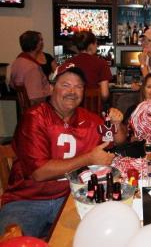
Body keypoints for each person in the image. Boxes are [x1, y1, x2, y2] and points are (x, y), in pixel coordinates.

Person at [0, 63, 116, 238]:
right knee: (14, 241)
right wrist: (89, 158)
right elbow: (39, 173)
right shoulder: (34, 118)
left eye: (78, 86)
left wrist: (117, 124)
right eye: (66, 85)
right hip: (27, 200)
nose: (73, 91)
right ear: (51, 87)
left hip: (71, 197)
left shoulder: (89, 119)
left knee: (99, 237)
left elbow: (114, 140)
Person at [66, 31, 112, 101]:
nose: (97, 46)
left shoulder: (68, 63)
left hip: (73, 109)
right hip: (94, 109)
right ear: (91, 45)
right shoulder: (101, 63)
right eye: (96, 43)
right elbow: (104, 94)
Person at [9, 30, 51, 105]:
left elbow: (12, 85)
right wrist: (51, 91)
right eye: (40, 40)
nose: (42, 42)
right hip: (36, 111)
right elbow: (36, 99)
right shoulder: (32, 67)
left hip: (25, 109)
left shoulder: (17, 61)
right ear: (36, 44)